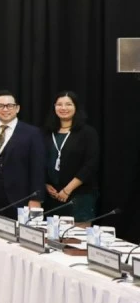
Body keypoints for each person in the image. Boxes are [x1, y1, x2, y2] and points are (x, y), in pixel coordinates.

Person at [0, 90, 45, 214]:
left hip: (21, 199)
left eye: (10, 106)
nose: (5, 109)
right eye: (0, 106)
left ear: (17, 108)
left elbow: (38, 168)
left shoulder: (32, 133)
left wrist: (36, 198)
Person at [44, 91, 99, 222]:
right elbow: (38, 161)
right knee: (52, 239)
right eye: (59, 104)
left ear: (76, 107)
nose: (63, 108)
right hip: (52, 196)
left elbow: (91, 164)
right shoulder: (46, 132)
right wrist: (45, 184)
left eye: (68, 104)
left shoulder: (87, 132)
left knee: (75, 240)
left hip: (79, 195)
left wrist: (68, 189)